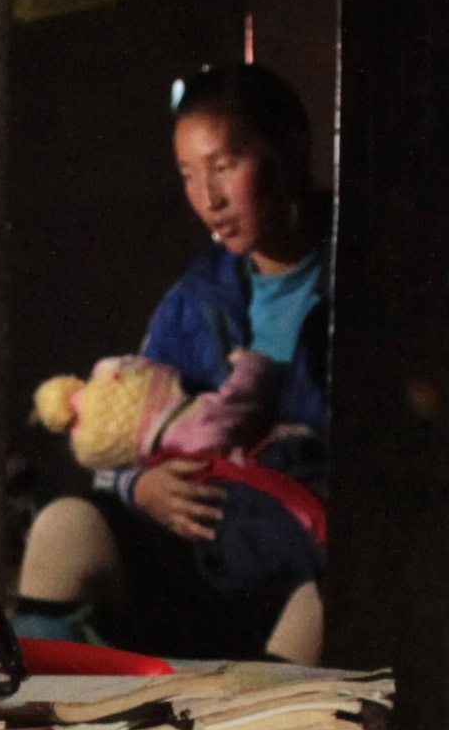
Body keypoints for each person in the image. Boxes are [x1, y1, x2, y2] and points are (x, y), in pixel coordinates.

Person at [17, 61, 335, 662]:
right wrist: (140, 486)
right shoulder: (198, 298)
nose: (208, 198)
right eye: (189, 174)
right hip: (198, 563)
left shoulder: (366, 269)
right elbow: (123, 438)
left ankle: (259, 723)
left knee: (329, 596)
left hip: (300, 569)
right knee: (64, 528)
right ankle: (41, 720)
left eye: (225, 166)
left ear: (289, 149)